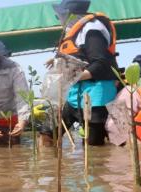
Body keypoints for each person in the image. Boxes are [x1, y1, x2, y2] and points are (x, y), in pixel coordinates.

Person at [46, 0, 118, 146]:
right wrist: (58, 61)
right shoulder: (75, 30)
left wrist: (73, 76)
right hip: (74, 97)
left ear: (68, 14)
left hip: (96, 99)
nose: (58, 18)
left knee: (93, 150)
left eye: (58, 15)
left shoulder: (92, 29)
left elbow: (100, 64)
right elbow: (79, 57)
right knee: (47, 132)